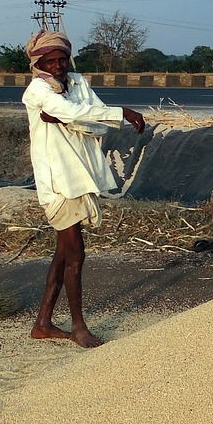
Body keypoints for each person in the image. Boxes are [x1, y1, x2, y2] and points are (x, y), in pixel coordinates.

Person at [21, 30, 146, 347]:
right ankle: (78, 328)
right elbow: (80, 113)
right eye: (50, 61)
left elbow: (96, 124)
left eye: (62, 59)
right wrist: (121, 112)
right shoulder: (36, 91)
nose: (58, 66)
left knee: (63, 255)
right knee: (75, 254)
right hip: (59, 183)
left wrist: (69, 119)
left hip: (81, 177)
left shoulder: (77, 83)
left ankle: (43, 323)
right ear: (39, 63)